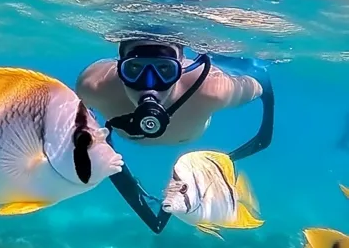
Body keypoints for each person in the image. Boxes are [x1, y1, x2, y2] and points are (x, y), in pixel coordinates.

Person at [76, 36, 274, 234]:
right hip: (186, 136)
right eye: (134, 69)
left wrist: (222, 165)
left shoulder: (213, 91)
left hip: (209, 82)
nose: (149, 85)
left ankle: (217, 57)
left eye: (165, 70)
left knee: (226, 60)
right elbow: (81, 126)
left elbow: (261, 84)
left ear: (181, 68)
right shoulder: (94, 86)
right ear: (119, 68)